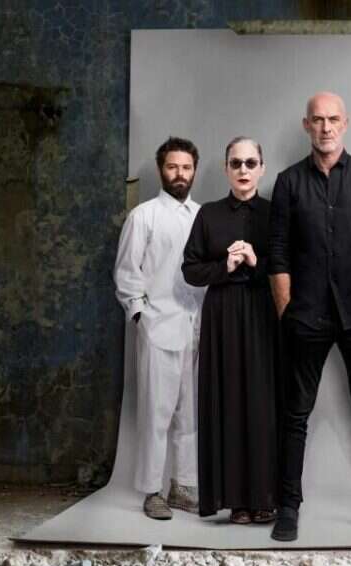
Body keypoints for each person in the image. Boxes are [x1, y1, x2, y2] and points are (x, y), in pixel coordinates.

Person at [268, 92, 351, 542]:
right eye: (318, 120)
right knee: (295, 414)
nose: (326, 127)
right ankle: (288, 508)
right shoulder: (288, 182)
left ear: (346, 123)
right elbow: (278, 251)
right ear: (306, 125)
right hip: (305, 315)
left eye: (333, 119)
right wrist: (286, 309)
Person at [182, 137, 280, 525]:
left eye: (250, 163)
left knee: (263, 401)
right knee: (227, 400)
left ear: (262, 168)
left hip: (263, 313)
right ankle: (236, 500)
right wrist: (225, 266)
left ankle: (265, 497)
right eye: (236, 163)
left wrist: (256, 262)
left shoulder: (275, 214)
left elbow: (292, 267)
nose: (243, 170)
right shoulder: (209, 214)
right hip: (222, 314)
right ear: (226, 169)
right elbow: (191, 270)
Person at [114, 137, 205, 520]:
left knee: (189, 414)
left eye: (186, 167)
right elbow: (126, 272)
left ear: (194, 171)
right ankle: (152, 491)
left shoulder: (203, 215)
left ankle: (182, 486)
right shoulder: (144, 216)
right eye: (172, 167)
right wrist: (141, 316)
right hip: (158, 326)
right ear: (160, 170)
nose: (179, 174)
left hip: (195, 328)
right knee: (155, 414)